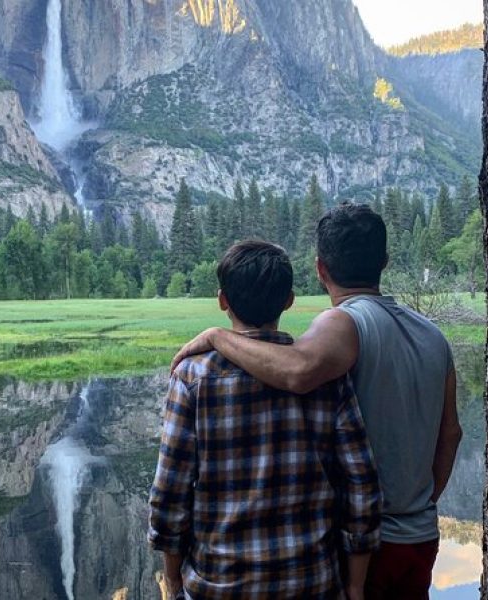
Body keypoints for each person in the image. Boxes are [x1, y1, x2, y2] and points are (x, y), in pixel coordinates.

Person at [172, 204, 463, 600]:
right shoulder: (433, 336)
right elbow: (451, 434)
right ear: (385, 262)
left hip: (366, 543)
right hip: (421, 536)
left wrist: (217, 337)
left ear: (321, 269)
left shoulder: (343, 321)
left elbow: (297, 371)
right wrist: (424, 501)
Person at [149, 240, 382, 599]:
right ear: (289, 300)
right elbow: (360, 486)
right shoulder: (326, 375)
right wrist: (355, 585)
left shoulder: (192, 377)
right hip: (311, 585)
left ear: (222, 300)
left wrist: (174, 583)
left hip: (217, 587)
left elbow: (170, 493)